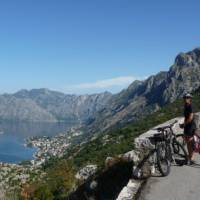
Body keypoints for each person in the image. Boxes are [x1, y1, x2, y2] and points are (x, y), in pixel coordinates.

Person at [180, 93, 196, 165]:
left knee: (190, 143)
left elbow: (190, 118)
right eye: (185, 97)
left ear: (190, 99)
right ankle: (190, 156)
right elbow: (186, 117)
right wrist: (184, 125)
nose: (186, 99)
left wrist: (184, 124)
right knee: (188, 142)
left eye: (187, 97)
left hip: (191, 127)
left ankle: (191, 158)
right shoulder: (186, 106)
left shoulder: (191, 106)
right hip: (187, 127)